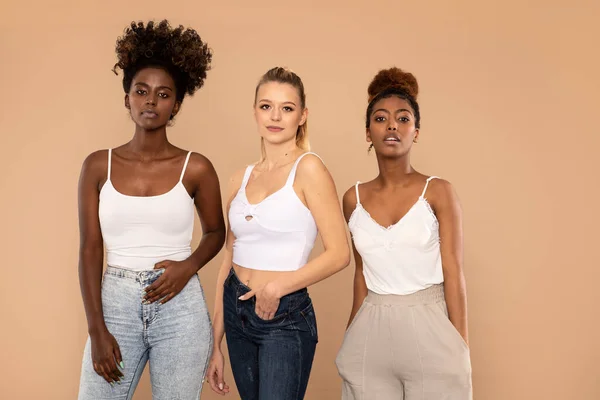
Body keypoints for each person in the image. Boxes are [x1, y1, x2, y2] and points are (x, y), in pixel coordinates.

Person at [76, 20, 225, 400]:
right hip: (116, 303)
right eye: (141, 91)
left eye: (162, 94)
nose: (150, 101)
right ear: (127, 98)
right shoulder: (97, 165)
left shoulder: (197, 167)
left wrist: (187, 267)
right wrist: (97, 329)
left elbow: (216, 232)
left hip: (180, 306)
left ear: (175, 104)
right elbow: (90, 249)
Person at [206, 66, 351, 400]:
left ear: (302, 116)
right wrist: (215, 341)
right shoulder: (239, 178)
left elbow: (340, 253)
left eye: (287, 108)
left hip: (283, 315)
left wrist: (277, 288)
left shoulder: (309, 169)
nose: (275, 116)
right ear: (254, 112)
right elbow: (229, 255)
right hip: (236, 308)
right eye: (266, 106)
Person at [335, 67, 472, 399]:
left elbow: (453, 271)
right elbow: (361, 275)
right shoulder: (352, 198)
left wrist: (461, 347)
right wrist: (350, 335)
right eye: (381, 119)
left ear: (416, 131)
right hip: (371, 329)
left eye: (403, 118)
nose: (392, 125)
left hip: (430, 323)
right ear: (368, 133)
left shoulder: (438, 191)